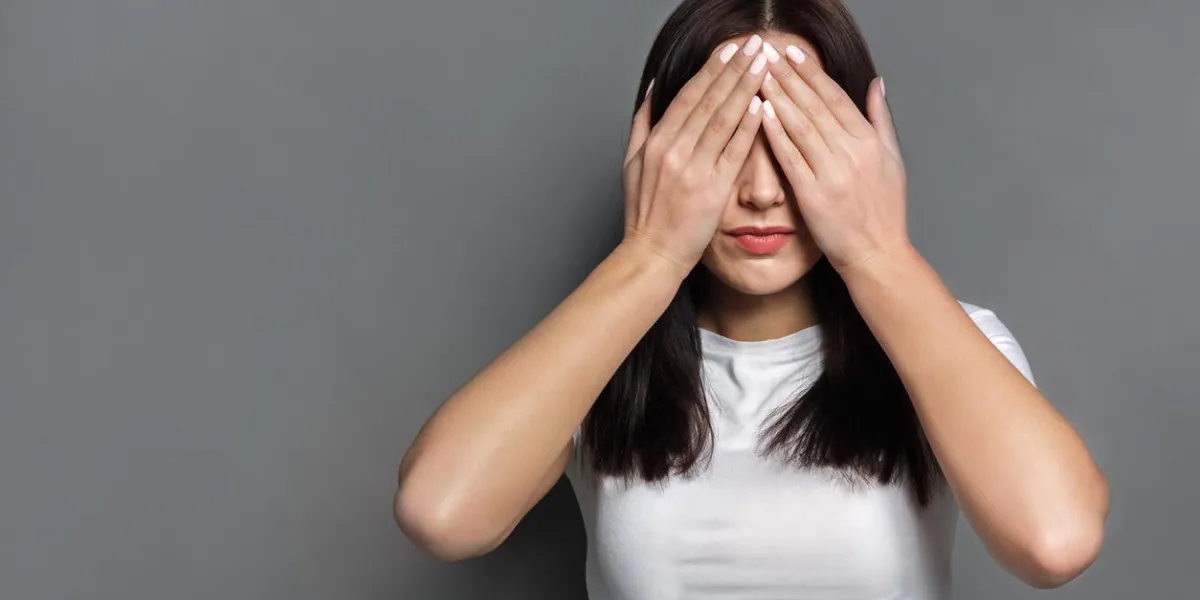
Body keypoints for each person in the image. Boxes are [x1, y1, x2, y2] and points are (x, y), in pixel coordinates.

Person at [393, 0, 1109, 597]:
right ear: (662, 154)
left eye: (797, 144)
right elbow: (441, 514)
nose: (762, 193)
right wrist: (650, 253)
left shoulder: (951, 342)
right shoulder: (600, 356)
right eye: (727, 143)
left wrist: (879, 253)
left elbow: (1056, 542)